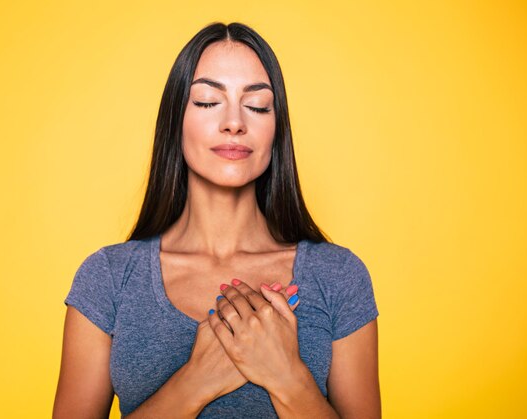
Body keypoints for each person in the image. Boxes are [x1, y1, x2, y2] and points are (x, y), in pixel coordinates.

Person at [53, 22, 380, 419]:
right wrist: (196, 381)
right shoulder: (108, 278)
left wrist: (286, 376)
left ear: (276, 131)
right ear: (175, 120)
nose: (234, 123)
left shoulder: (339, 276)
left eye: (257, 106)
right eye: (208, 101)